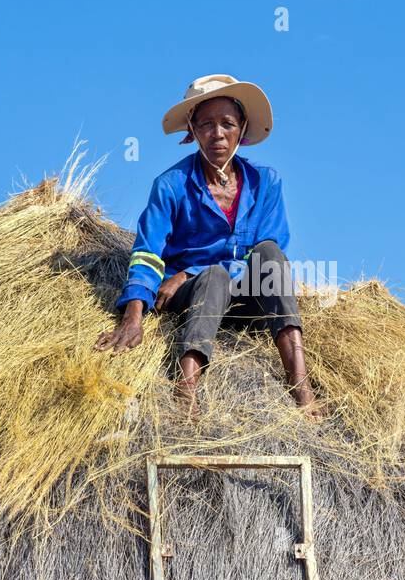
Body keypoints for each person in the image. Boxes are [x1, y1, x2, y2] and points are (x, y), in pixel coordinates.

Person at [94, 74, 320, 419]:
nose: (217, 134)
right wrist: (134, 315)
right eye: (206, 125)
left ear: (242, 130)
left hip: (247, 301)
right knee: (213, 276)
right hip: (192, 300)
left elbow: (264, 250)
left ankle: (301, 385)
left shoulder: (266, 182)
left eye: (227, 124)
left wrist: (186, 272)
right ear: (192, 131)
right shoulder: (170, 185)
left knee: (270, 255)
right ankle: (186, 393)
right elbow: (147, 252)